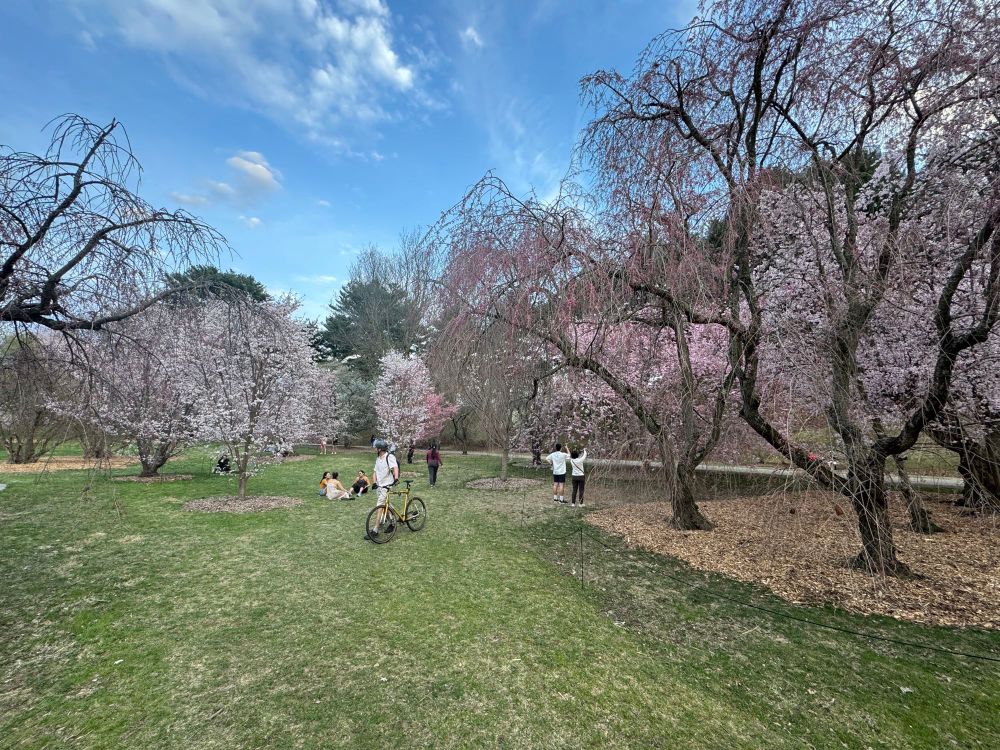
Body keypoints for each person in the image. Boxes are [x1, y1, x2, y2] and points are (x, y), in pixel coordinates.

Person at [372, 439, 400, 510]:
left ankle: (377, 521)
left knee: (379, 505)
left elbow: (395, 468)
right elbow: (375, 471)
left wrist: (396, 478)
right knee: (386, 504)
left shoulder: (389, 457)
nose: (374, 448)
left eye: (375, 447)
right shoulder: (378, 458)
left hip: (387, 484)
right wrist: (374, 482)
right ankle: (392, 518)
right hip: (379, 485)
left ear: (379, 449)